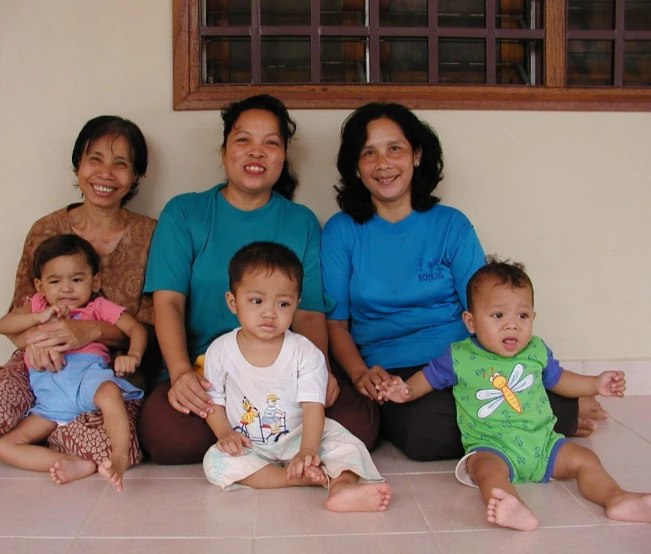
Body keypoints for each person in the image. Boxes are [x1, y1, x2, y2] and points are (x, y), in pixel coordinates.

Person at [321, 102, 596, 462]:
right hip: (391, 369)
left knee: (477, 403)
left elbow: (486, 307)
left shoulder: (451, 225)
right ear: (356, 166)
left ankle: (529, 412)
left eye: (395, 149)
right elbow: (335, 324)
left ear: (416, 155)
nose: (383, 163)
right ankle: (531, 419)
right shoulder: (342, 231)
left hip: (467, 360)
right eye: (368, 152)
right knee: (426, 436)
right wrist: (359, 374)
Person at [139, 94, 378, 465]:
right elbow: (168, 302)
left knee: (358, 423)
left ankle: (264, 441)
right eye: (243, 140)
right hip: (209, 373)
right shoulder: (185, 213)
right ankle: (264, 440)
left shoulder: (300, 221)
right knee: (165, 437)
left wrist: (321, 372)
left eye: (271, 143)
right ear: (224, 151)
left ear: (283, 156)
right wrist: (181, 372)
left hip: (284, 372)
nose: (257, 152)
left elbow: (310, 313)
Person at [0, 115, 156, 467]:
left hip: (101, 370)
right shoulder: (46, 229)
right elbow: (17, 316)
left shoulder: (150, 235)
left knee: (112, 449)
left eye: (121, 164)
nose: (106, 173)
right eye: (95, 159)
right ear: (78, 166)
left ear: (135, 176)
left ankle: (37, 429)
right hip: (37, 366)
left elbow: (148, 325)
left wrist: (87, 330)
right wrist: (38, 345)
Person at [378, 258, 651, 530]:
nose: (512, 325)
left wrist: (595, 384)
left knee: (586, 460)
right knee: (484, 470)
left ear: (533, 317)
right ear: (471, 322)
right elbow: (428, 378)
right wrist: (406, 391)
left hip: (543, 444)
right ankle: (511, 506)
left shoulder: (536, 350)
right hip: (492, 446)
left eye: (522, 315)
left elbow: (559, 380)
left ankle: (616, 498)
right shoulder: (460, 356)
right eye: (498, 316)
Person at [202, 242, 390, 512]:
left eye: (283, 303)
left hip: (300, 436)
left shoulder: (305, 351)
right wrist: (224, 433)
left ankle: (343, 487)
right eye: (256, 301)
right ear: (233, 302)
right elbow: (213, 400)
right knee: (215, 461)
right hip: (248, 442)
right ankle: (294, 478)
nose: (269, 312)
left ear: (296, 305)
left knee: (348, 446)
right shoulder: (219, 351)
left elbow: (314, 405)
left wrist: (308, 449)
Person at [0, 234, 145, 491]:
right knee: (3, 446)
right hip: (50, 400)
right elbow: (3, 325)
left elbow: (137, 330)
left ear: (94, 281)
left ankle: (119, 456)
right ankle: (69, 462)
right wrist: (39, 316)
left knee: (109, 393)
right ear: (40, 287)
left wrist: (134, 356)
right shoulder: (38, 306)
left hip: (88, 381)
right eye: (55, 281)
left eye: (76, 280)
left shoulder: (98, 307)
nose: (66, 289)